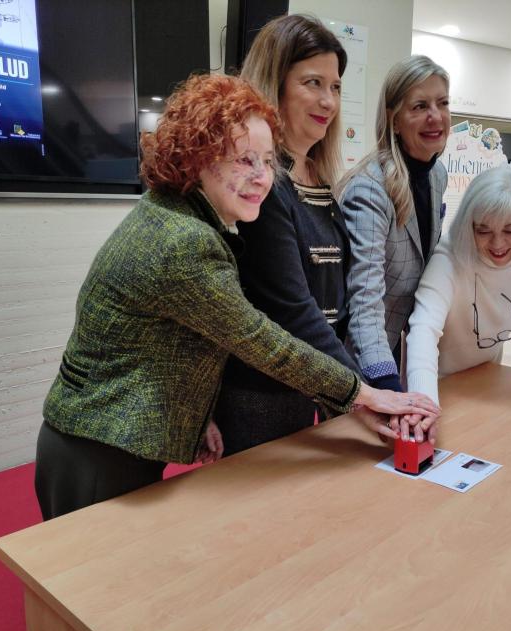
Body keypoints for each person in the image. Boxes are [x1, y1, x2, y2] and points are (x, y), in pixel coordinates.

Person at [34, 74, 438, 520]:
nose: (262, 178)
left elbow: (160, 342)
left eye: (268, 161)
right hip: (97, 449)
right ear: (197, 158)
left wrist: (199, 414)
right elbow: (265, 343)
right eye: (244, 161)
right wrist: (366, 394)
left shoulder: (177, 215)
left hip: (105, 436)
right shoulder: (186, 242)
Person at [215, 15, 367, 454]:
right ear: (274, 85)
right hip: (262, 394)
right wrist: (365, 395)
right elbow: (295, 310)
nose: (328, 100)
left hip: (315, 381)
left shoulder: (319, 174)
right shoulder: (262, 184)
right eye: (313, 83)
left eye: (335, 86)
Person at [337, 55, 451, 399]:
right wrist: (387, 384)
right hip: (358, 361)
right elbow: (365, 302)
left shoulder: (437, 176)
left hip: (401, 348)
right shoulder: (370, 190)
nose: (435, 116)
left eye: (442, 103)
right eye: (419, 106)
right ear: (395, 120)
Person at [405, 164, 511, 410]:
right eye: (483, 231)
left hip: (487, 376)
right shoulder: (449, 256)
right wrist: (423, 401)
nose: (498, 244)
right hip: (442, 385)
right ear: (469, 225)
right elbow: (423, 327)